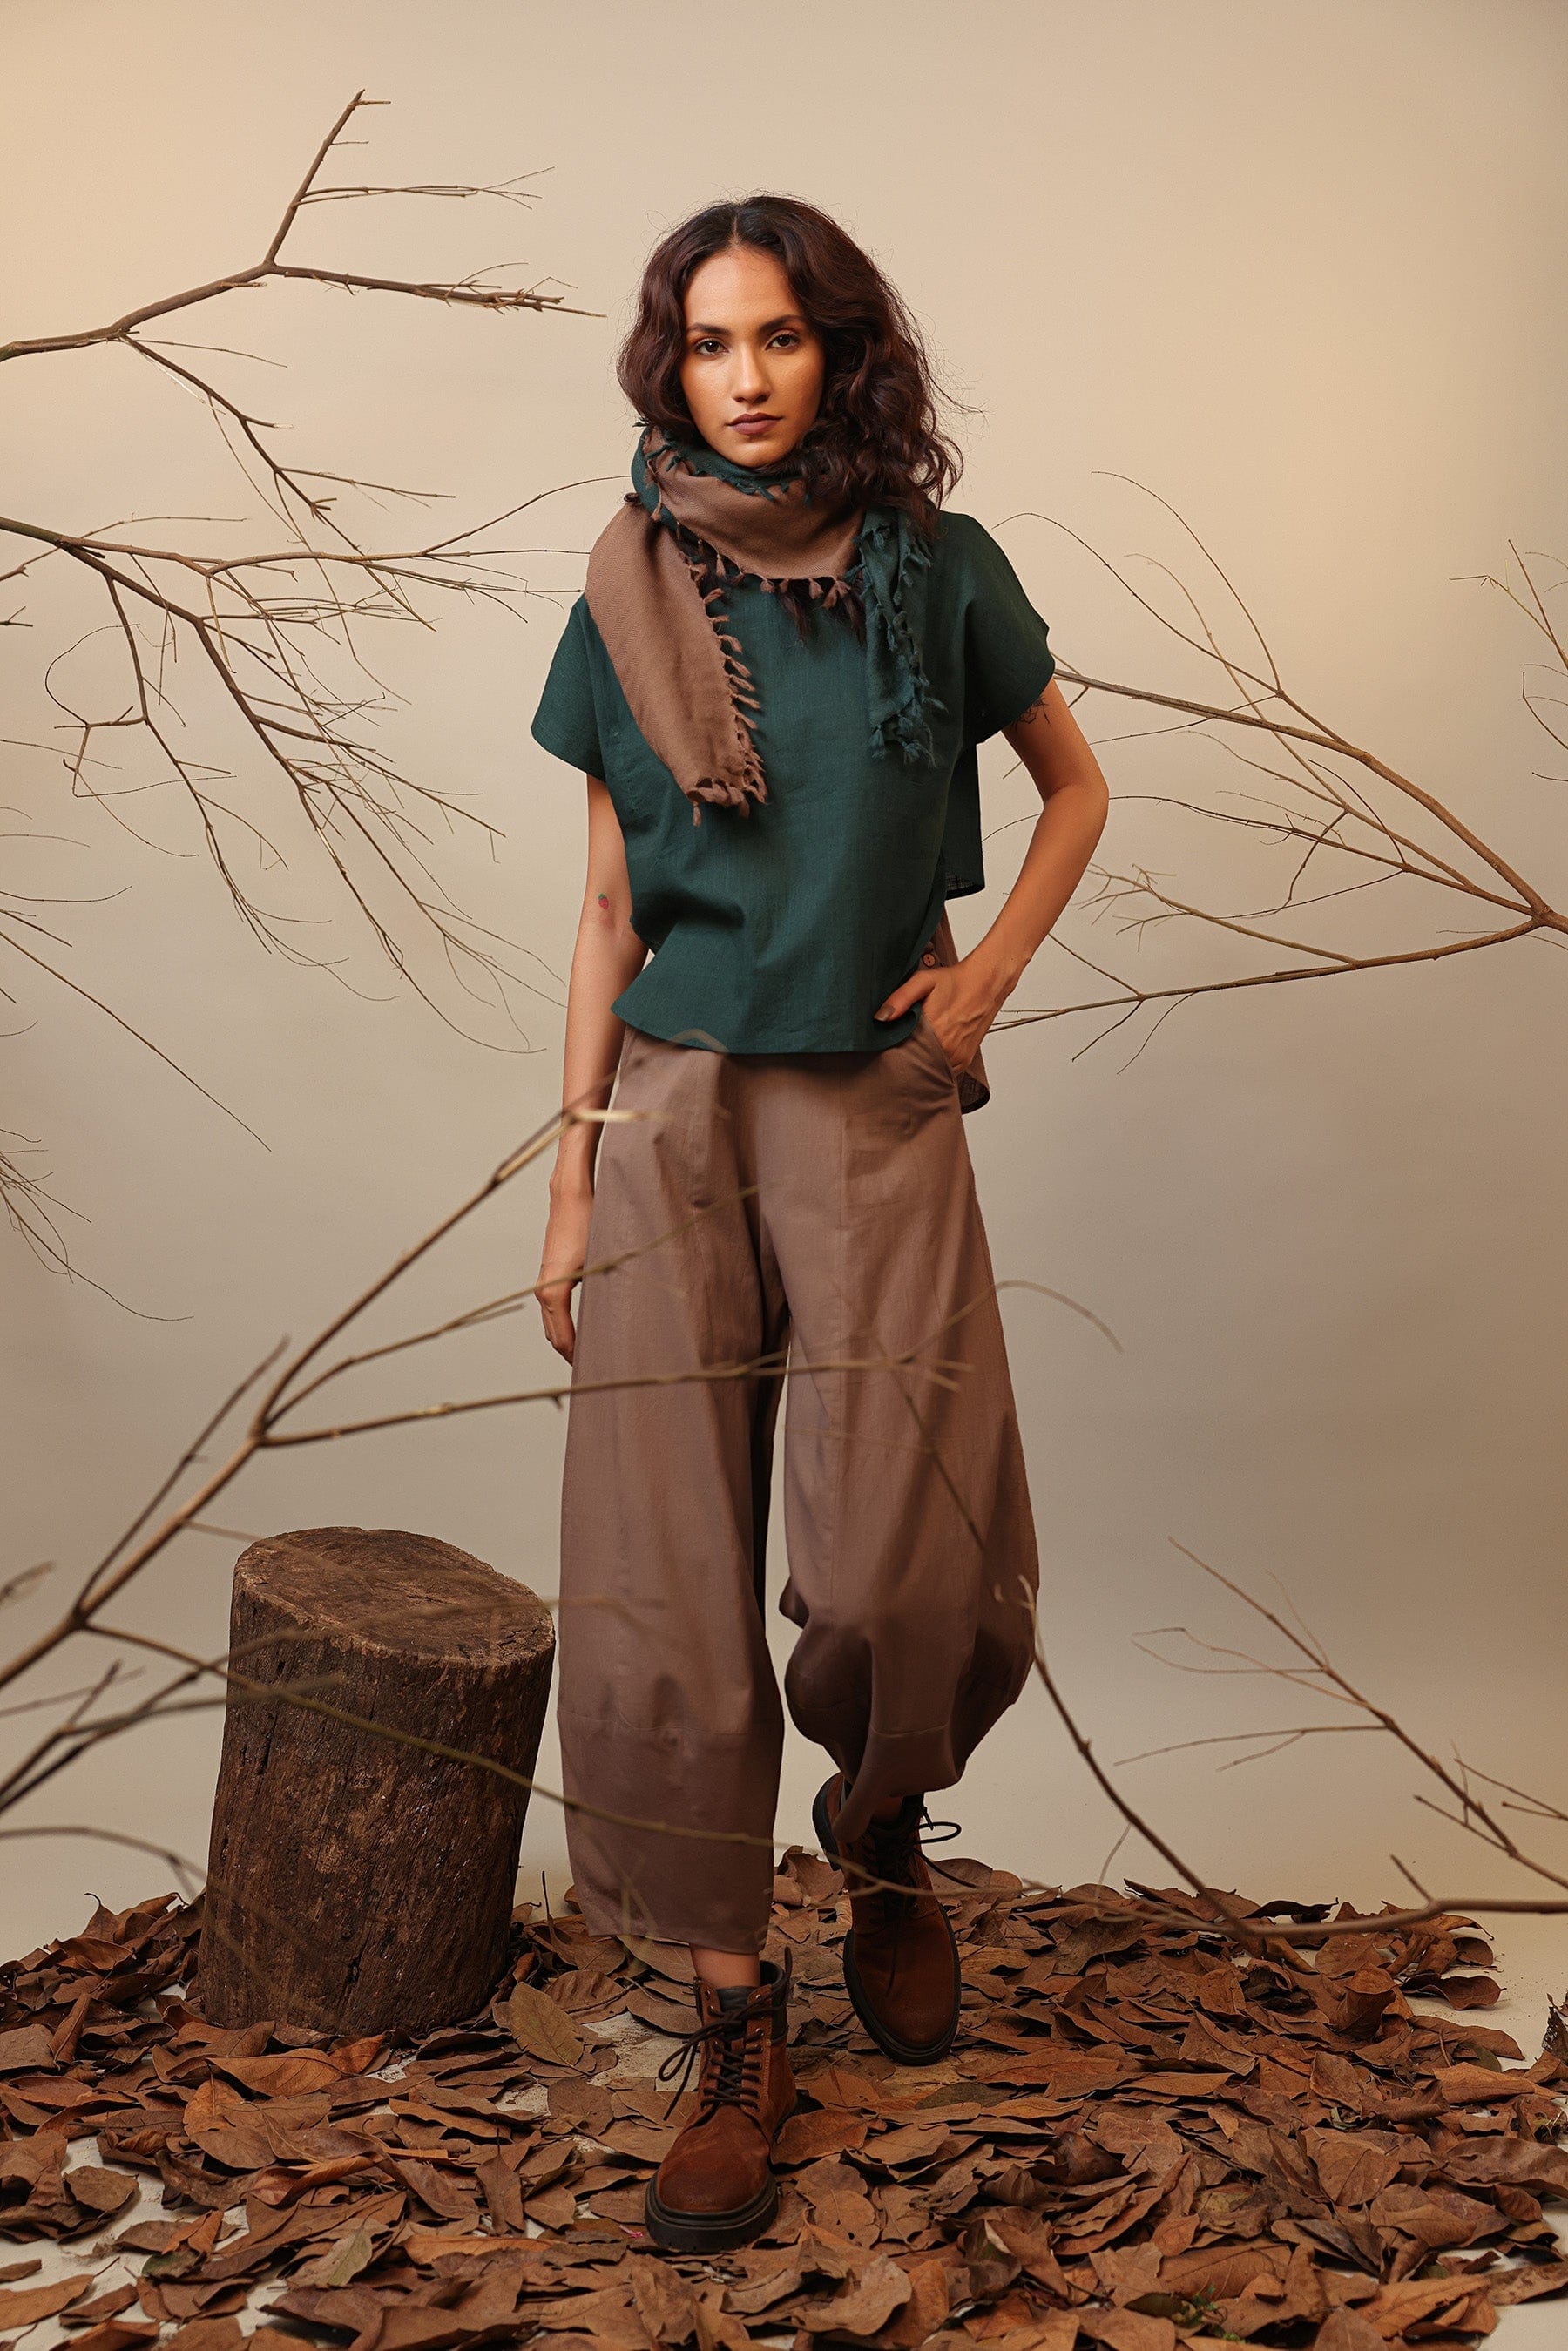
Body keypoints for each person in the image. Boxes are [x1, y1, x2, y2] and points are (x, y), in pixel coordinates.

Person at [531, 193, 1109, 2253]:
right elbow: (610, 903)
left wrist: (982, 986)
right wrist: (572, 1170)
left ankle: (878, 1832)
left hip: (872, 1096)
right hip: (672, 1108)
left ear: (840, 351)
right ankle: (730, 2016)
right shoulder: (621, 586)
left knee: (892, 1569)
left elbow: (1076, 787)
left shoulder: (942, 573)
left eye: (779, 335)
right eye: (709, 342)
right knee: (666, 1588)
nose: (746, 376)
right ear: (669, 366)